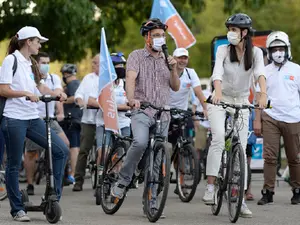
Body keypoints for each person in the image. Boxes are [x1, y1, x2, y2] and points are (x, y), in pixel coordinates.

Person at [111, 18, 180, 216]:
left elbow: (175, 86)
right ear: (147, 37)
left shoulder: (168, 59)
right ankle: (123, 180)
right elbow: (130, 79)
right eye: (156, 35)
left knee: (157, 160)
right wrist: (131, 99)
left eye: (162, 35)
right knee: (140, 142)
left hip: (163, 114)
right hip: (142, 111)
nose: (160, 39)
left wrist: (174, 68)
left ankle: (151, 201)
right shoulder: (136, 56)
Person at [201, 13, 267, 218]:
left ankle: (239, 200)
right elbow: (217, 73)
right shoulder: (222, 49)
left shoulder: (255, 53)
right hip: (220, 100)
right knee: (219, 139)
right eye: (229, 29)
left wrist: (263, 94)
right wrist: (217, 91)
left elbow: (260, 74)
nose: (230, 33)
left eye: (234, 30)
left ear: (244, 33)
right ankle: (211, 187)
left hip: (241, 101)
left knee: (241, 148)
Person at [0, 26, 68, 221]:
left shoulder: (31, 63)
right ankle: (17, 209)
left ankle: (52, 200)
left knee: (60, 150)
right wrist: (25, 94)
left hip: (32, 118)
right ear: (28, 42)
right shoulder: (11, 61)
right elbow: (3, 90)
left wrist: (56, 94)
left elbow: (40, 86)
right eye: (38, 41)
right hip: (14, 118)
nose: (40, 45)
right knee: (13, 164)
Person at [255, 31, 300, 205]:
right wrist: (257, 120)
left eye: (281, 48)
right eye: (274, 49)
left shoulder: (296, 70)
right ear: (269, 51)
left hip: (293, 118)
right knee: (270, 157)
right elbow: (258, 97)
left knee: (294, 157)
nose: (278, 52)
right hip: (270, 117)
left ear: (287, 49)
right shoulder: (264, 72)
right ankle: (268, 192)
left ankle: (297, 190)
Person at [24, 52, 70, 196]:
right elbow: (42, 89)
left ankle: (57, 181)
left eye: (47, 62)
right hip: (35, 118)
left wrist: (59, 100)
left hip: (50, 118)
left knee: (65, 145)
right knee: (31, 153)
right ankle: (30, 183)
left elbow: (57, 92)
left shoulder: (53, 77)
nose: (46, 66)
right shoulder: (31, 76)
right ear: (36, 64)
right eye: (43, 62)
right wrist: (54, 95)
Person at [167, 47, 207, 195]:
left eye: (185, 58)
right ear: (174, 58)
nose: (182, 60)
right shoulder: (168, 70)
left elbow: (199, 92)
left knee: (181, 149)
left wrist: (206, 109)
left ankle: (181, 182)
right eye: (179, 58)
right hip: (165, 113)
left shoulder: (191, 73)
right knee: (165, 147)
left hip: (182, 114)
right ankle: (160, 174)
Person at [72, 54, 102, 192]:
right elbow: (79, 94)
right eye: (93, 63)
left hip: (103, 121)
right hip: (88, 120)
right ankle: (78, 180)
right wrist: (79, 101)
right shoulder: (88, 78)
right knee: (84, 150)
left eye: (96, 63)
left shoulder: (109, 79)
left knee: (104, 150)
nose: (94, 65)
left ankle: (103, 178)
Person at [60, 63, 82, 184]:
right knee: (73, 146)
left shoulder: (73, 84)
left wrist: (62, 101)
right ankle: (71, 173)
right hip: (75, 118)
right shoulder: (76, 83)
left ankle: (72, 174)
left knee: (73, 147)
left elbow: (75, 98)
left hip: (72, 119)